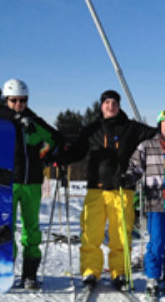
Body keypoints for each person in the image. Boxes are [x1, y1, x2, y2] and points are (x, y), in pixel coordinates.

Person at [62, 90, 156, 289]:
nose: (110, 106)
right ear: (101, 105)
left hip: (123, 189)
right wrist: (59, 158)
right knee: (91, 233)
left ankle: (119, 272)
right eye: (107, 103)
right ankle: (90, 272)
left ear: (119, 105)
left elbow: (158, 135)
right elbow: (76, 151)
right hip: (96, 189)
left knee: (121, 234)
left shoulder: (131, 128)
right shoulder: (92, 129)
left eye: (114, 102)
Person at [0, 79, 62, 288]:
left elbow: (54, 139)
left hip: (32, 182)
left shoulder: (34, 121)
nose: (18, 104)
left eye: (22, 101)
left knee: (31, 230)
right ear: (6, 99)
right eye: (14, 100)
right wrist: (12, 118)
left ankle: (29, 273)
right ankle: (5, 269)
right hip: (6, 184)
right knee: (4, 229)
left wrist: (44, 154)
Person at [124, 108, 165, 297]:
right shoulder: (147, 145)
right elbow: (135, 167)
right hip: (155, 202)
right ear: (160, 125)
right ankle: (152, 277)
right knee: (157, 242)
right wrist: (127, 178)